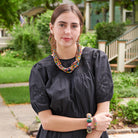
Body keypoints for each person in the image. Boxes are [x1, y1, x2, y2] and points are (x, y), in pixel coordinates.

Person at [29, 4, 113, 138]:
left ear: (80, 29)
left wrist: (95, 126)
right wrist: (91, 123)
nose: (67, 31)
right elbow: (47, 121)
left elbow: (103, 114)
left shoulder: (97, 60)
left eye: (74, 26)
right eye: (61, 25)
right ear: (52, 28)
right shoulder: (40, 70)